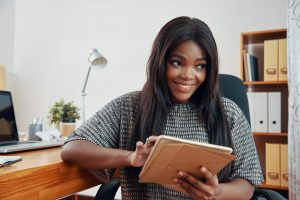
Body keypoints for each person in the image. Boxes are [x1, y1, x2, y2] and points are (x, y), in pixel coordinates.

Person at [61, 16, 263, 200]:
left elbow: (247, 185)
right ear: (160, 61)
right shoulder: (130, 106)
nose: (188, 75)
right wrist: (130, 157)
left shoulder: (228, 113)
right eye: (177, 63)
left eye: (200, 66)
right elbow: (71, 148)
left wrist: (217, 192)